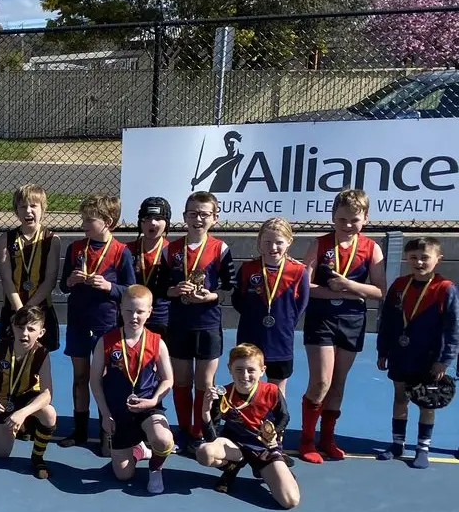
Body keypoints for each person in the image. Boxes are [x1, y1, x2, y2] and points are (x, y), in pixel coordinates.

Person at [299, 189, 386, 463]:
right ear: (333, 218)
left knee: (338, 383)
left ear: (365, 219)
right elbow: (305, 286)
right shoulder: (319, 244)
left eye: (354, 220)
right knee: (321, 381)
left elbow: (379, 291)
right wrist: (336, 293)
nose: (348, 225)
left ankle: (327, 437)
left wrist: (350, 286)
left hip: (352, 320)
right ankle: (307, 439)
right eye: (342, 219)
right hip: (321, 319)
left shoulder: (372, 248)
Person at [58, 194, 135, 450]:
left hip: (106, 325)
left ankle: (107, 430)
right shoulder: (75, 248)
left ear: (108, 222)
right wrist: (71, 281)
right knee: (80, 377)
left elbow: (130, 290)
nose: (84, 225)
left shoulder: (121, 252)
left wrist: (109, 286)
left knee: (103, 378)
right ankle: (79, 430)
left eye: (89, 220)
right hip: (78, 321)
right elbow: (63, 285)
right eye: (83, 219)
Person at [376, 237, 459, 468]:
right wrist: (383, 350)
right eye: (414, 257)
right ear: (406, 258)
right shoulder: (399, 285)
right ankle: (397, 444)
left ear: (438, 259)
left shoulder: (445, 289)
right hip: (401, 354)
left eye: (425, 257)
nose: (419, 262)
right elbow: (388, 322)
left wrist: (444, 361)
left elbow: (453, 328)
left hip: (430, 358)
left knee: (426, 401)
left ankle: (422, 448)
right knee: (400, 398)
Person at [90, 285, 176, 494]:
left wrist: (154, 401)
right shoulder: (106, 341)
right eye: (129, 310)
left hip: (148, 408)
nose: (134, 316)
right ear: (120, 309)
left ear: (149, 312)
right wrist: (105, 414)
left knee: (164, 439)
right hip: (118, 413)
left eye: (140, 311)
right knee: (123, 475)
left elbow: (168, 380)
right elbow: (95, 381)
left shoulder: (157, 343)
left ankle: (155, 470)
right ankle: (138, 450)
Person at [165, 191, 234, 446]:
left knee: (205, 382)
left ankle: (201, 427)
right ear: (184, 217)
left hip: (207, 324)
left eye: (204, 214)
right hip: (180, 324)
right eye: (193, 214)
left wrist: (211, 296)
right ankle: (185, 429)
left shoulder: (220, 248)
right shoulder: (170, 249)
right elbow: (161, 286)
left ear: (215, 218)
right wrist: (174, 291)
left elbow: (230, 287)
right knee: (182, 380)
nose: (198, 219)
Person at [196, 344, 300, 509]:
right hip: (236, 447)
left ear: (262, 370)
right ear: (230, 368)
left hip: (264, 449)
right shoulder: (223, 394)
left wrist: (275, 434)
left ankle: (270, 470)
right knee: (204, 452)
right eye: (239, 369)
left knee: (290, 501)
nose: (244, 375)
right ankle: (233, 467)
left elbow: (284, 417)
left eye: (251, 370)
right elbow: (212, 438)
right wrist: (206, 411)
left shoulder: (272, 391)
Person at [234, 217, 309, 397]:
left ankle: (275, 425)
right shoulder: (247, 269)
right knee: (247, 383)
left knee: (277, 389)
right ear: (259, 241)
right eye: (267, 242)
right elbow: (238, 300)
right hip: (250, 336)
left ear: (289, 242)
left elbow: (301, 304)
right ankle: (247, 424)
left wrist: (284, 322)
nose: (273, 247)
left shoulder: (298, 271)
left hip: (280, 340)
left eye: (279, 242)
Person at [0, 305, 57, 479]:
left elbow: (47, 393)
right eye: (20, 327)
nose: (25, 333)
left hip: (27, 399)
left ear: (41, 332)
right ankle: (18, 425)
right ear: (12, 326)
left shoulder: (42, 354)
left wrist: (23, 413)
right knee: (2, 453)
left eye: (31, 329)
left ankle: (37, 456)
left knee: (50, 414)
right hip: (3, 400)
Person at [0, 184, 62, 351]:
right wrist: (19, 310)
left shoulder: (52, 239)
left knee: (40, 362)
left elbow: (50, 280)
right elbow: (6, 278)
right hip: (13, 309)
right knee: (9, 358)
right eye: (23, 206)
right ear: (16, 211)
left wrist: (28, 309)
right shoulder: (6, 239)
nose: (28, 211)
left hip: (41, 310)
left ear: (43, 209)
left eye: (33, 206)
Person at [127, 197, 172, 337]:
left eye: (158, 218)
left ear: (167, 222)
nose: (152, 223)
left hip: (160, 316)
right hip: (131, 315)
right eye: (147, 218)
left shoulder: (174, 252)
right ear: (140, 221)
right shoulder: (126, 250)